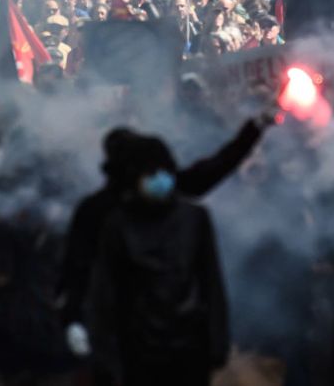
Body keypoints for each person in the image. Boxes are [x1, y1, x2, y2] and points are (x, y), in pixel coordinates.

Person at [86, 134, 230, 386]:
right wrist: (106, 357)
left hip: (189, 349)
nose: (159, 178)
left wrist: (218, 342)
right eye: (150, 172)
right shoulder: (118, 225)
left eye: (163, 170)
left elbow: (211, 282)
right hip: (139, 352)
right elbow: (104, 295)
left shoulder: (194, 218)